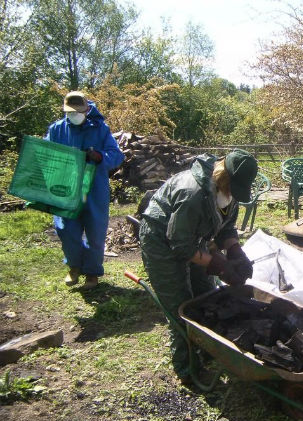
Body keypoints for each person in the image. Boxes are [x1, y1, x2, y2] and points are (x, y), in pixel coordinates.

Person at [139, 149, 258, 382]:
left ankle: (207, 350)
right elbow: (180, 245)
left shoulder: (226, 194)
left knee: (207, 296)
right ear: (225, 178)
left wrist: (235, 251)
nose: (234, 194)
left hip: (193, 238)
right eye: (234, 188)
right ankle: (188, 369)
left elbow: (226, 228)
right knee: (181, 305)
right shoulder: (192, 193)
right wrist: (218, 264)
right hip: (161, 241)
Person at [45, 91, 125, 290]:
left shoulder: (100, 129)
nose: (74, 115)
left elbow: (116, 155)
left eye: (78, 112)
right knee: (66, 229)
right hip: (65, 188)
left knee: (95, 231)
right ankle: (73, 267)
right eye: (70, 112)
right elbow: (45, 153)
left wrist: (99, 157)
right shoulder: (57, 129)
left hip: (94, 188)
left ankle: (92, 273)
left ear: (87, 109)